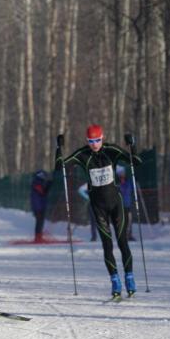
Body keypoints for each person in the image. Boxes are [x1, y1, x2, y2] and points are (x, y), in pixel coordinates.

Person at [55, 125, 141, 298]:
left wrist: (132, 145)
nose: (94, 144)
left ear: (102, 137)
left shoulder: (111, 150)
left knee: (123, 242)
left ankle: (130, 278)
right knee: (107, 245)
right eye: (91, 141)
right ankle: (115, 281)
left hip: (116, 205)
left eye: (97, 140)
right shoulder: (83, 154)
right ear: (87, 141)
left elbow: (136, 162)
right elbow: (60, 167)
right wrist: (59, 148)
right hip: (98, 207)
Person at [30, 169, 53, 243]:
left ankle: (39, 236)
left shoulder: (39, 182)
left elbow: (43, 192)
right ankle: (37, 237)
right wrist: (49, 185)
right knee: (39, 221)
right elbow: (42, 192)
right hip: (38, 206)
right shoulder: (36, 183)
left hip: (40, 205)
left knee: (41, 221)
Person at [116, 165, 135, 241]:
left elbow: (130, 190)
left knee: (129, 220)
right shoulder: (117, 184)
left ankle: (129, 235)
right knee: (122, 221)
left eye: (123, 175)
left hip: (128, 204)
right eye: (120, 176)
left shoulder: (128, 182)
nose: (122, 177)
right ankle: (123, 235)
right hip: (120, 205)